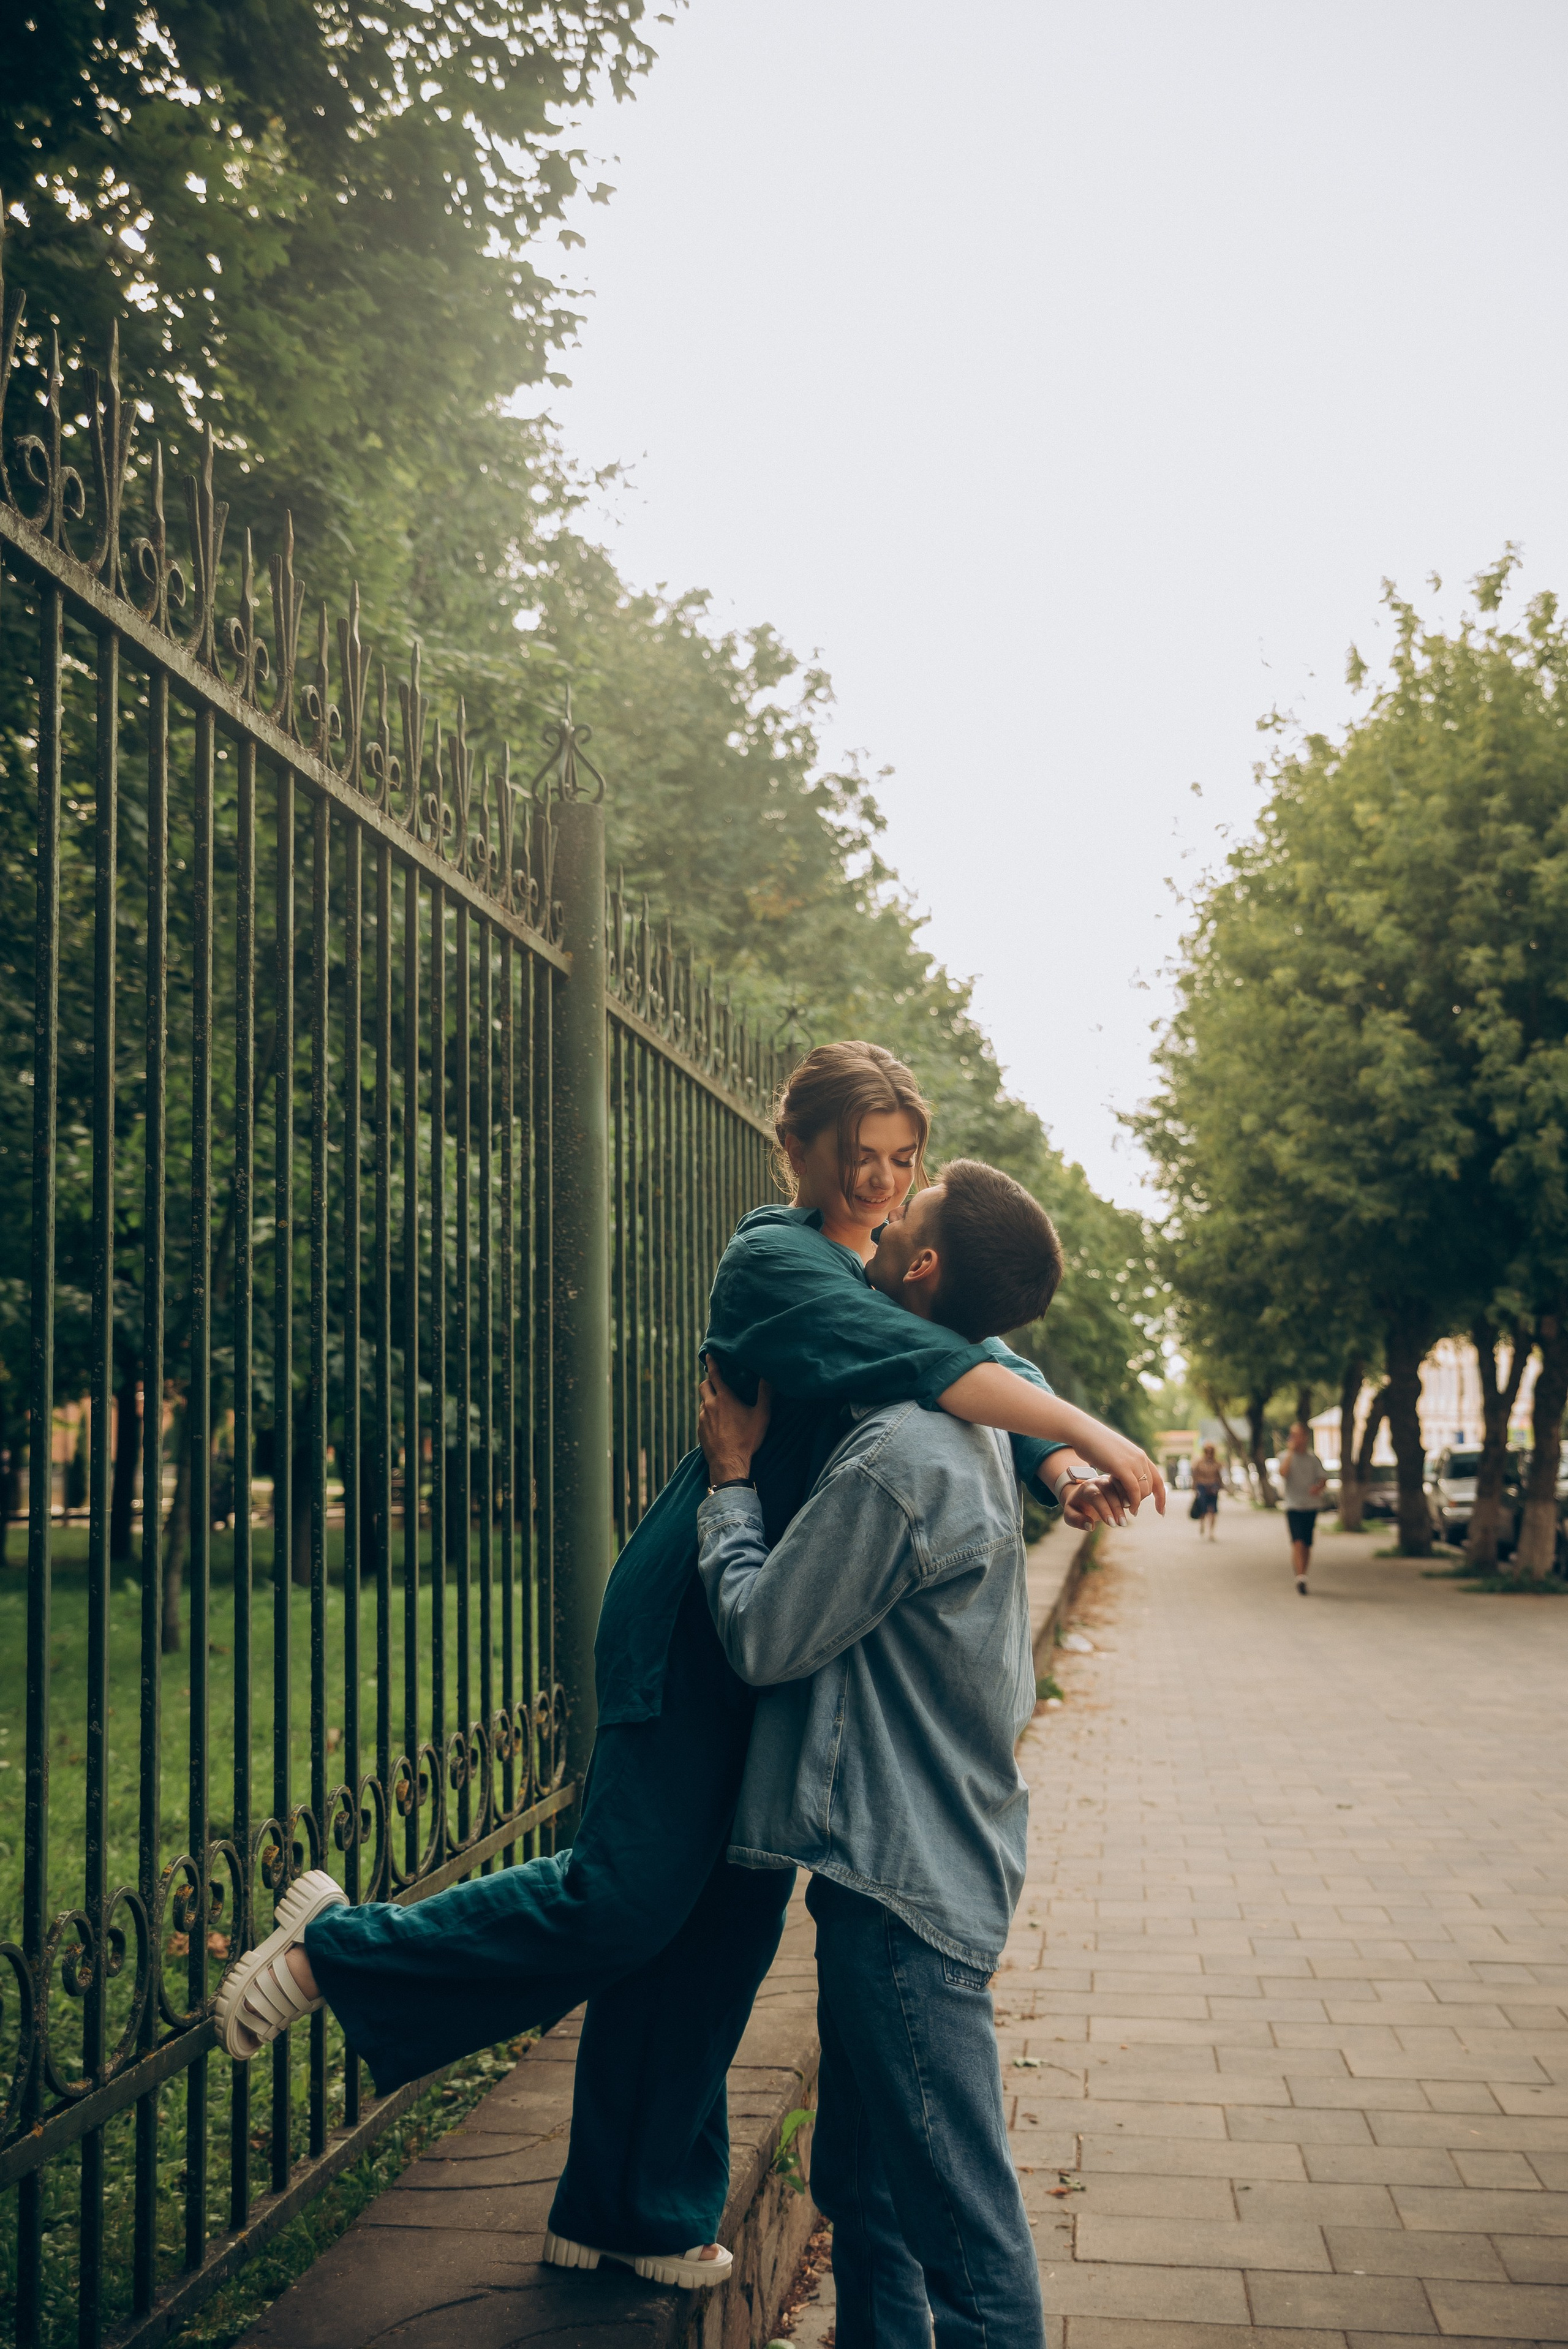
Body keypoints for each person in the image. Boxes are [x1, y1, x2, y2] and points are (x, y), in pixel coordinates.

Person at [214, 1043, 1164, 2287]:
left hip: (769, 1630)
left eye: (901, 1164)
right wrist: (1087, 1432)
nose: (878, 1184)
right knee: (627, 1897)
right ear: (799, 1153)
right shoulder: (778, 1259)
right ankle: (334, 1948)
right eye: (857, 1158)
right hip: (693, 1620)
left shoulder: (890, 1277)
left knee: (717, 1928)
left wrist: (1055, 1461)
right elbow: (941, 1363)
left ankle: (630, 2206)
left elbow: (987, 1356)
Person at [693, 1159, 1076, 2349]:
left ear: (917, 1267)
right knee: (865, 2199)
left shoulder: (906, 1457)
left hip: (899, 1900)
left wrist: (730, 1482)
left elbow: (762, 1637)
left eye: (902, 1209)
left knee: (964, 2246)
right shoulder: (965, 1434)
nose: (876, 1207)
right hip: (919, 1872)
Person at [1280, 1419, 1327, 1593]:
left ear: (1305, 1437)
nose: (1295, 1439)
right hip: (1293, 1506)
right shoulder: (1285, 1457)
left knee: (1307, 1543)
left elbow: (1323, 1480)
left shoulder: (1313, 1459)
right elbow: (1283, 1473)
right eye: (1293, 1436)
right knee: (1297, 1541)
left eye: (1298, 1435)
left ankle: (1303, 1573)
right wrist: (1291, 1452)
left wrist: (1318, 1488)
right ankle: (1300, 1576)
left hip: (1311, 1506)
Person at [1191, 1440, 1223, 1539]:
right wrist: (1194, 1488)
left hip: (1213, 1487)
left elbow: (1219, 1476)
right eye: (1207, 1451)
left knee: (1213, 1510)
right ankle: (1202, 1524)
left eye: (1211, 1451)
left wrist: (1220, 1487)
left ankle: (1211, 1532)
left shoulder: (1217, 1463)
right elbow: (1195, 1476)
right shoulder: (1199, 1463)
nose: (1209, 1453)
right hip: (1202, 1487)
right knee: (1203, 1509)